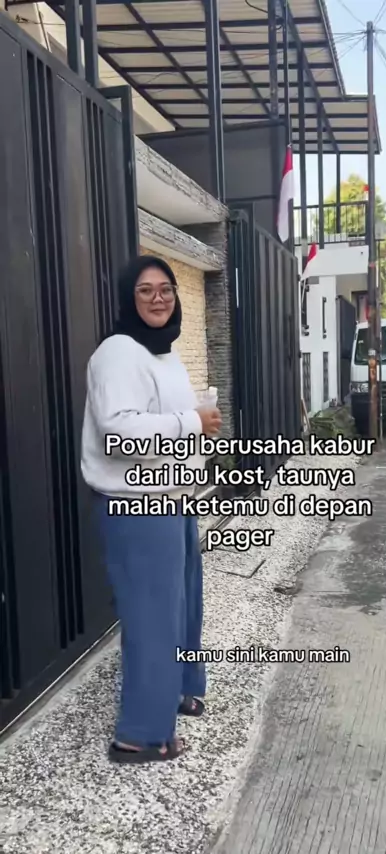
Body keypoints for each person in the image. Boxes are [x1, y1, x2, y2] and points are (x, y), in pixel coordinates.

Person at [81, 254, 222, 764]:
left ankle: (177, 691)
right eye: (145, 290)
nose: (158, 298)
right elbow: (118, 433)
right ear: (128, 298)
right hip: (136, 507)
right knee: (152, 619)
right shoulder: (118, 352)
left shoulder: (160, 351)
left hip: (171, 498)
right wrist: (191, 421)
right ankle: (140, 735)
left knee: (182, 607)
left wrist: (195, 426)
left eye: (165, 289)